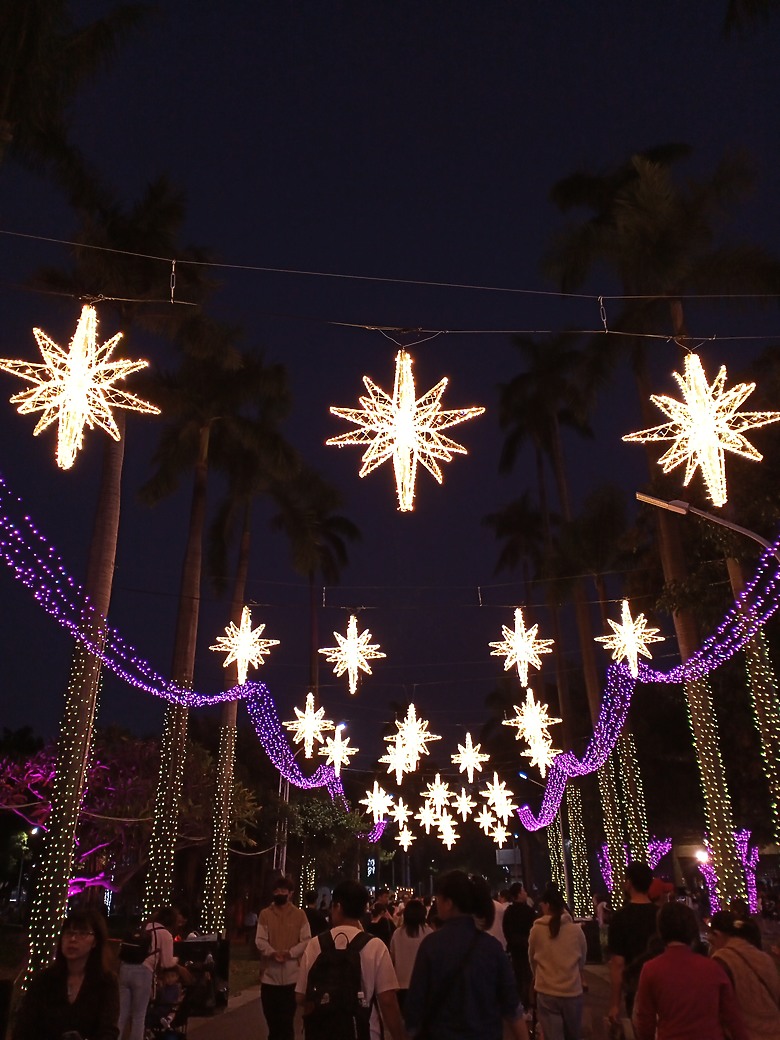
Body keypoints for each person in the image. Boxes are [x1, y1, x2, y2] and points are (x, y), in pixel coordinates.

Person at [404, 870, 529, 1040]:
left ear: (448, 903)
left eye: (438, 899)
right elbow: (512, 1006)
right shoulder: (492, 947)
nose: (436, 904)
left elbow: (415, 1006)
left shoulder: (430, 946)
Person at [296, 879, 405, 1040]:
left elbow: (300, 996)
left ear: (337, 907)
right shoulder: (375, 946)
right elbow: (387, 1000)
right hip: (365, 1031)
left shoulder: (316, 944)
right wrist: (399, 1035)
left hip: (323, 1031)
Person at [633, 901, 748, 1040]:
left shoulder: (651, 970)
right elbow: (732, 1017)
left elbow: (645, 1022)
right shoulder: (712, 968)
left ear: (661, 930)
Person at [13, 908, 120, 1040]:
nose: (73, 939)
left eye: (82, 933)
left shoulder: (106, 982)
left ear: (95, 942)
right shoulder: (44, 980)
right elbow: (24, 1027)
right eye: (69, 933)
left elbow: (108, 1031)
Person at [528, 883, 587, 1040]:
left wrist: (538, 975)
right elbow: (582, 960)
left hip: (546, 991)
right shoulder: (576, 930)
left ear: (547, 905)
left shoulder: (536, 930)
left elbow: (532, 959)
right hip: (572, 991)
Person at [708, 910, 780, 1039]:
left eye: (712, 942)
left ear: (717, 934)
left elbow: (721, 1011)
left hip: (747, 1034)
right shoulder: (765, 958)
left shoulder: (721, 960)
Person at [118, 905, 185, 1040]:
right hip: (143, 973)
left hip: (125, 969)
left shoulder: (145, 928)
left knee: (122, 1014)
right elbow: (166, 962)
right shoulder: (165, 934)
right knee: (139, 1015)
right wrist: (177, 960)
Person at [256, 876, 311, 1040]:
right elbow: (260, 940)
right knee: (272, 1022)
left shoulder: (300, 915)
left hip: (292, 977)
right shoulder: (265, 914)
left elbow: (306, 940)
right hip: (269, 976)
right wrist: (272, 952)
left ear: (290, 894)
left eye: (283, 891)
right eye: (277, 891)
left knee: (286, 1022)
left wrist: (290, 953)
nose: (280, 893)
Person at [607, 861, 659, 1023]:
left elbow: (617, 963)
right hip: (662, 985)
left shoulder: (620, 918)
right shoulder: (661, 915)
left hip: (636, 986)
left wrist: (615, 1003)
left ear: (628, 883)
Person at [389, 898, 432, 1009]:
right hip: (423, 985)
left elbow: (391, 958)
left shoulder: (397, 933)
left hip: (401, 985)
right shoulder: (428, 933)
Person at [503, 882, 537, 1008]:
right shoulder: (529, 911)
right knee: (528, 976)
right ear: (518, 894)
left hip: (515, 949)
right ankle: (528, 1003)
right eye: (523, 891)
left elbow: (506, 930)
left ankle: (519, 1004)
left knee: (518, 975)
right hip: (527, 948)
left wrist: (512, 943)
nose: (526, 893)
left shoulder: (509, 912)